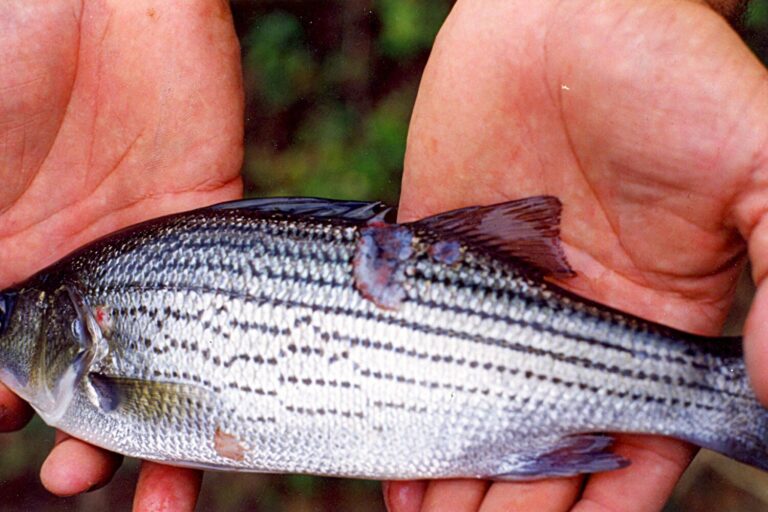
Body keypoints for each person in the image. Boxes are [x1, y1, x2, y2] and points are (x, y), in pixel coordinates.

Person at [0, 0, 766, 511]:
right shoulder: (95, 308)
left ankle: (724, 394)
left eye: (8, 312)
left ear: (63, 323)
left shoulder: (93, 363)